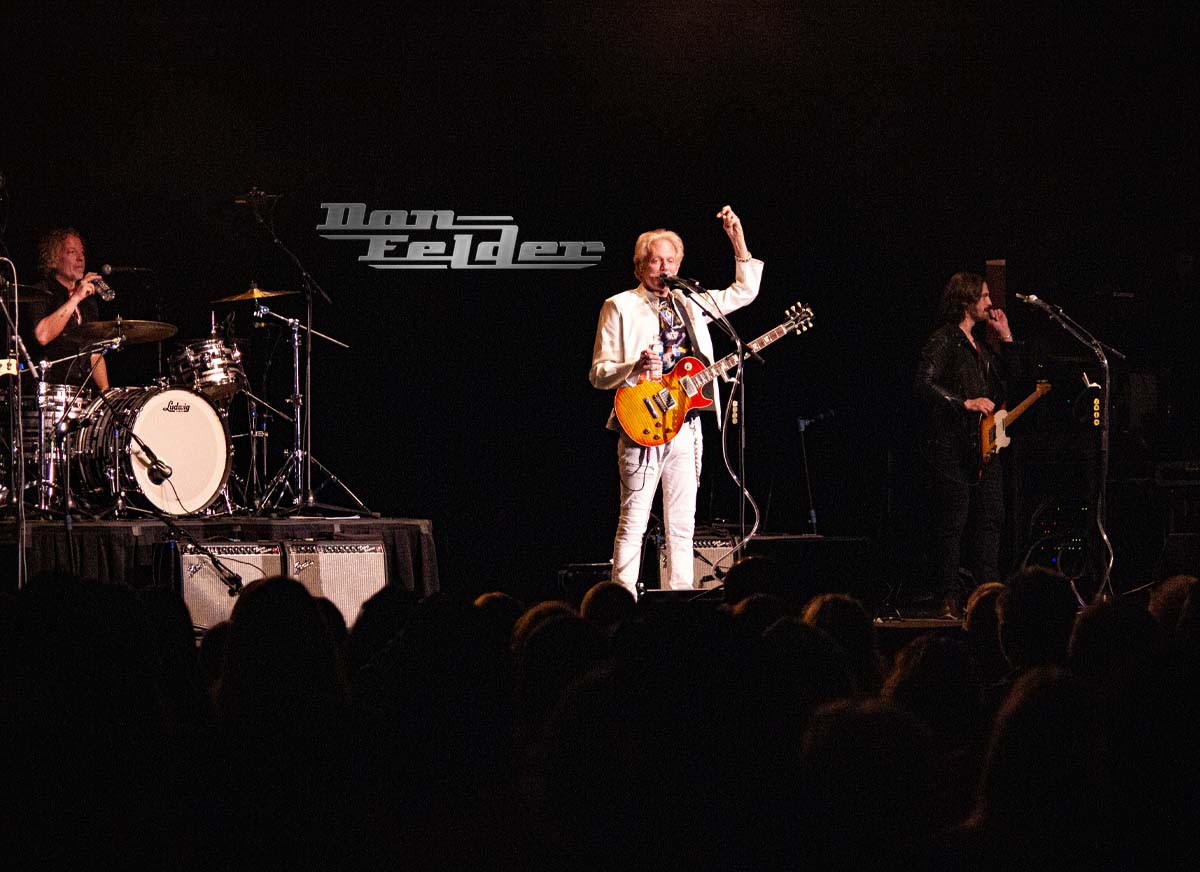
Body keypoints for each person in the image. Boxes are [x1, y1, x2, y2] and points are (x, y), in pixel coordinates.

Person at [589, 206, 762, 595]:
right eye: (655, 261)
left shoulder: (691, 302)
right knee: (633, 519)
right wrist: (632, 365)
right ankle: (622, 601)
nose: (664, 267)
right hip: (641, 425)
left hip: (686, 426)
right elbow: (598, 373)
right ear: (639, 267)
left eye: (671, 260)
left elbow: (744, 292)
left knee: (682, 524)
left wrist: (737, 239)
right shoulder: (619, 306)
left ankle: (682, 600)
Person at [914, 271, 1019, 618]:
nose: (991, 303)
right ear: (967, 300)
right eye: (985, 296)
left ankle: (989, 597)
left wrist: (1006, 338)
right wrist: (965, 403)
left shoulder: (984, 347)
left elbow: (1011, 385)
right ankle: (948, 598)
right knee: (953, 523)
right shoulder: (944, 340)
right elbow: (924, 384)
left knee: (991, 519)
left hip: (985, 448)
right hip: (951, 450)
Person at [26, 228, 110, 390]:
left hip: (83, 395)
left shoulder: (88, 301)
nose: (80, 259)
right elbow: (42, 335)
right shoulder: (40, 293)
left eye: (82, 253)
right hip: (49, 394)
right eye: (72, 252)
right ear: (53, 260)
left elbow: (95, 354)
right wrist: (76, 298)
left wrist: (107, 395)